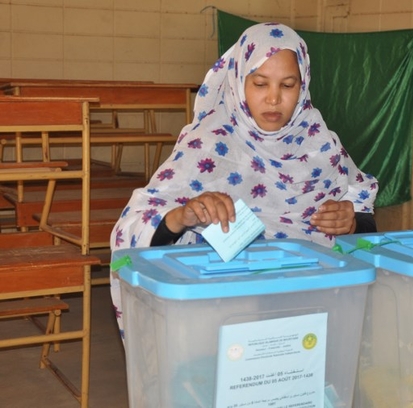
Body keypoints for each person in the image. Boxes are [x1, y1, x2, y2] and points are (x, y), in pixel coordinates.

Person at [109, 22, 378, 339]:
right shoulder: (207, 145)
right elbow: (132, 228)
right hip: (223, 318)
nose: (274, 99)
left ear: (303, 85)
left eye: (288, 85)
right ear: (238, 80)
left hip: (313, 311)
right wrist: (182, 217)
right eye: (261, 84)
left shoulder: (320, 143)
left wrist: (353, 221)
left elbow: (364, 222)